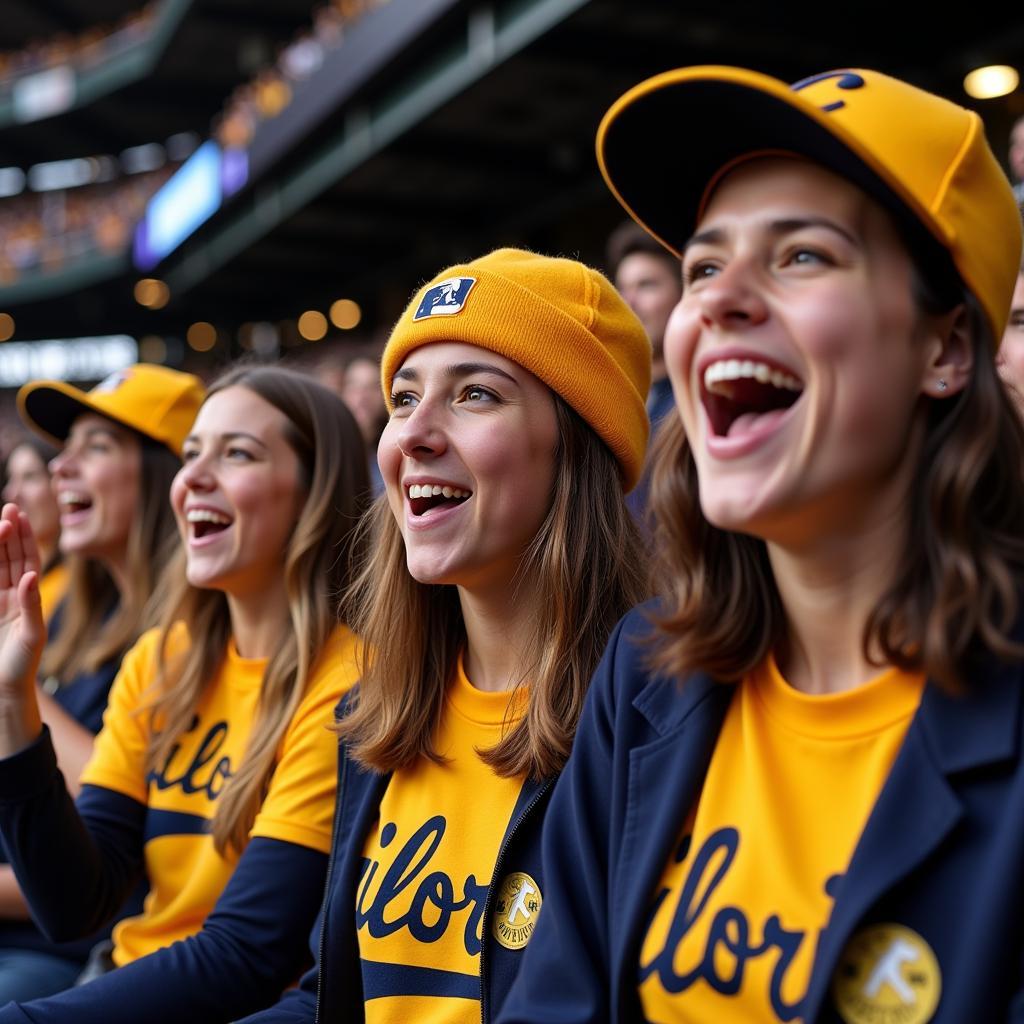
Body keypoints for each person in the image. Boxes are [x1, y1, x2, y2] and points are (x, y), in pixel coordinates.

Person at [498, 67, 1024, 1023]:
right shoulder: (644, 670)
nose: (719, 302)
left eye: (803, 257)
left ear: (947, 350)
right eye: (704, 267)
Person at [238, 247, 651, 1024]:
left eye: (475, 395)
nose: (414, 436)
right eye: (401, 399)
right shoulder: (374, 712)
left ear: (578, 445)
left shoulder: (652, 725)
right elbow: (336, 1001)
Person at [0, 364, 371, 1023]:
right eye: (193, 452)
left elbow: (248, 955)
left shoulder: (351, 681)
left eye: (237, 454)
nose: (194, 476)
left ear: (314, 493)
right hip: (122, 973)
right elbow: (76, 903)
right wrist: (11, 704)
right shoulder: (162, 659)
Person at [0, 364, 203, 1003]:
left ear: (169, 477)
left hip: (80, 947)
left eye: (97, 447)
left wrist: (20, 691)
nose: (61, 468)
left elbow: (110, 825)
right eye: (67, 449)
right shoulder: (72, 613)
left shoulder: (194, 635)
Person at [606, 222, 683, 525]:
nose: (629, 302)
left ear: (683, 293)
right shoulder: (615, 404)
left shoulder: (704, 400)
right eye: (624, 288)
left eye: (647, 285)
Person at [1, 437, 64, 621]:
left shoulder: (79, 588)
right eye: (10, 479)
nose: (12, 493)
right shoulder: (11, 579)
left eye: (29, 477)